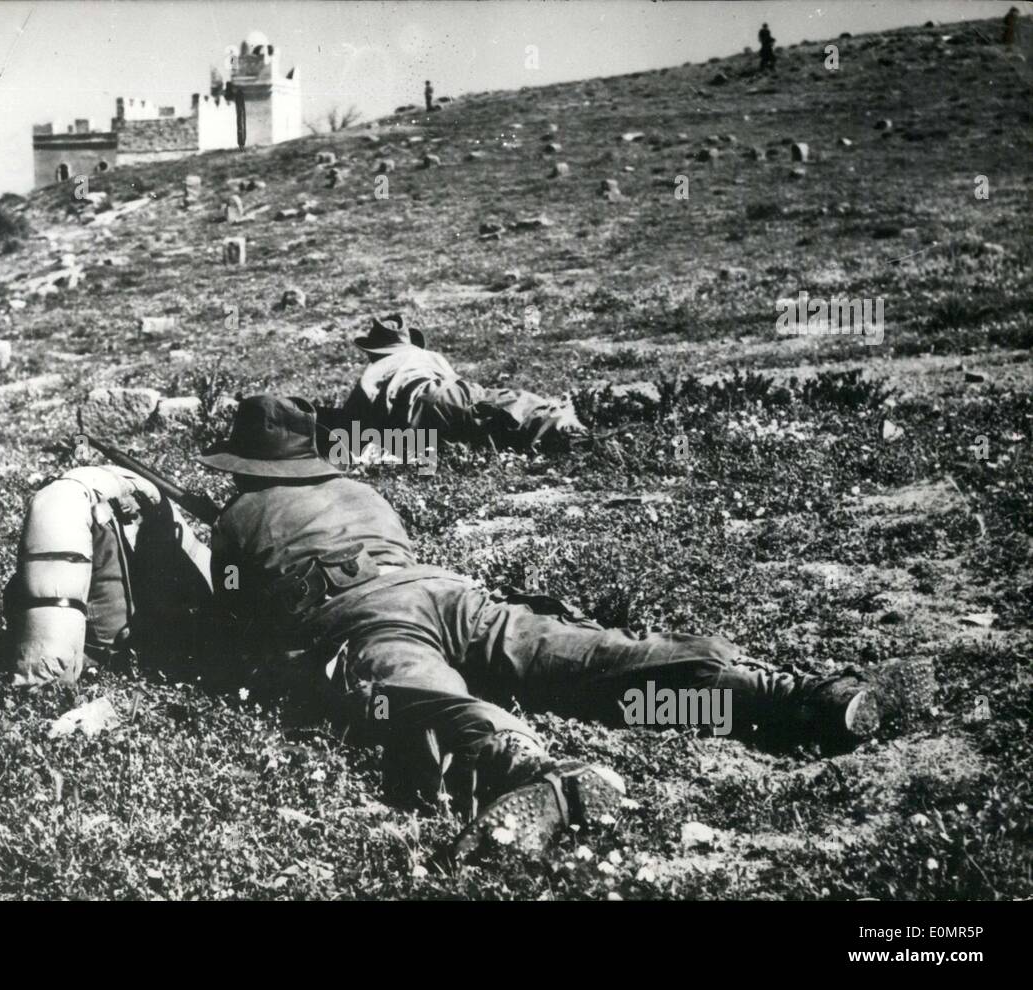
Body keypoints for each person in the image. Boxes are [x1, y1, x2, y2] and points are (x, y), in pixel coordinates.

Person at [199, 394, 881, 859]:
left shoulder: (235, 520)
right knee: (582, 658)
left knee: (426, 697)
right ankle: (780, 694)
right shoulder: (362, 491)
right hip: (447, 591)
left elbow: (234, 624)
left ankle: (534, 773)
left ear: (247, 465)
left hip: (366, 618)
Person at [333, 313, 587, 452]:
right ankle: (560, 427)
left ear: (374, 350)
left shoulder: (375, 370)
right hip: (457, 392)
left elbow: (355, 418)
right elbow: (450, 380)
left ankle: (556, 432)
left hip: (425, 411)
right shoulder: (425, 355)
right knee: (497, 407)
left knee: (483, 425)